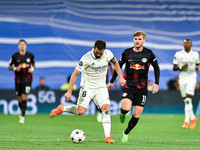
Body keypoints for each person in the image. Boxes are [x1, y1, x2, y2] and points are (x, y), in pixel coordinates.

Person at [50, 40, 126, 144]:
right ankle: (62, 108)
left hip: (101, 87)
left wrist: (120, 78)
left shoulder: (108, 54)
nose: (99, 54)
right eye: (97, 52)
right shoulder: (86, 58)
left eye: (101, 52)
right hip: (87, 87)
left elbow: (115, 63)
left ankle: (107, 137)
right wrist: (69, 91)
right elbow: (74, 74)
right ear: (94, 47)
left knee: (106, 108)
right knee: (80, 111)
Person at [108, 31, 160, 142]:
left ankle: (125, 133)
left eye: (140, 39)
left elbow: (156, 67)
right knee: (126, 109)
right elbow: (118, 66)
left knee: (136, 115)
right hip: (128, 85)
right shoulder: (127, 53)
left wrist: (156, 83)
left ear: (144, 40)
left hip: (142, 88)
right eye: (135, 39)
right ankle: (122, 113)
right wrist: (112, 81)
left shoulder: (149, 53)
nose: (137, 41)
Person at [173, 39, 199, 129]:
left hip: (191, 78)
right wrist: (182, 67)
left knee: (188, 99)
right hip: (182, 79)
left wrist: (196, 67)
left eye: (188, 43)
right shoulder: (178, 54)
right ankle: (193, 118)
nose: (187, 44)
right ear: (183, 45)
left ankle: (186, 121)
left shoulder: (195, 54)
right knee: (186, 100)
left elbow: (198, 65)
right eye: (185, 43)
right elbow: (174, 67)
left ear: (191, 45)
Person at [8, 39, 35, 124]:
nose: (22, 46)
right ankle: (21, 110)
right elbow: (9, 66)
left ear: (26, 46)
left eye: (24, 44)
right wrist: (15, 68)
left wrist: (32, 69)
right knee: (20, 99)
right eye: (21, 44)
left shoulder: (30, 56)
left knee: (24, 97)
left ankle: (22, 116)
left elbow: (33, 64)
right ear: (18, 46)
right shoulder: (15, 56)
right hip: (18, 80)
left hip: (27, 79)